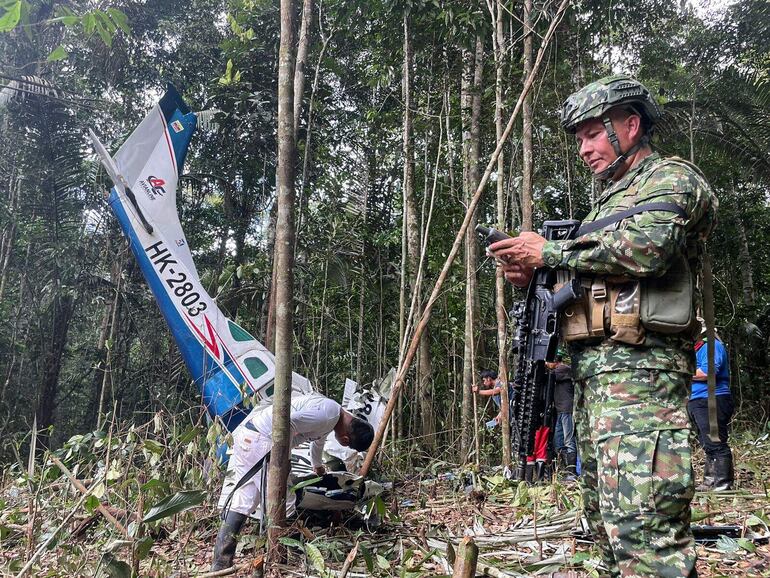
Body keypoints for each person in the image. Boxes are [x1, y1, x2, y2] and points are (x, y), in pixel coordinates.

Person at [489, 75, 717, 578]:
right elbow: (595, 276)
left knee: (645, 534)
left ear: (630, 126)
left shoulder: (672, 178)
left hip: (643, 380)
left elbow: (648, 249)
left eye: (593, 133)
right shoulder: (605, 205)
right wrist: (537, 271)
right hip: (596, 382)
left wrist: (548, 251)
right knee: (608, 533)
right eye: (579, 139)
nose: (585, 148)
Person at [211, 392, 374, 570]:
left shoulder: (333, 412)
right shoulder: (327, 415)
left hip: (250, 436)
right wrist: (284, 461)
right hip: (262, 441)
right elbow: (286, 422)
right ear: (345, 441)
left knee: (244, 501)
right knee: (284, 501)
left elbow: (317, 442)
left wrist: (317, 466)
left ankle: (220, 563)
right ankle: (287, 557)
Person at [689, 324, 734, 491]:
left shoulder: (711, 345)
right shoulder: (696, 348)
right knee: (706, 442)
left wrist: (682, 372)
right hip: (697, 399)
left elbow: (708, 372)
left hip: (711, 398)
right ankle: (710, 481)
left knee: (716, 441)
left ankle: (723, 483)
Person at [547, 357, 578, 479]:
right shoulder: (558, 371)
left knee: (568, 440)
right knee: (558, 442)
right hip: (560, 411)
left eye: (548, 361)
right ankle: (567, 470)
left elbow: (551, 375)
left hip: (567, 410)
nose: (546, 364)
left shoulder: (563, 369)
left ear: (555, 360)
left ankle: (572, 473)